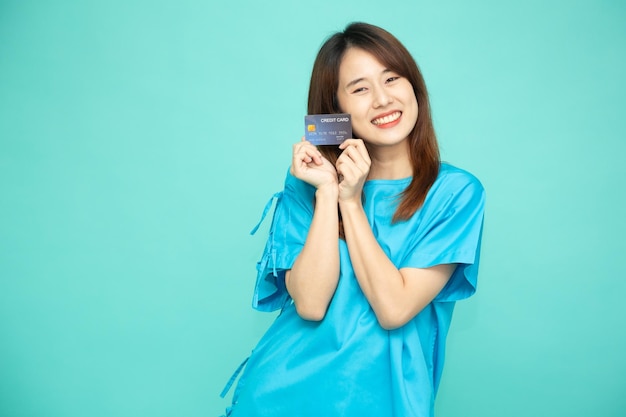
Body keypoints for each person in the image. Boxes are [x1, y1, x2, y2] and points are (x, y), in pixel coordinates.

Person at [221, 22, 485, 417]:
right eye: (360, 89)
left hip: (388, 402)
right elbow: (310, 304)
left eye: (392, 78)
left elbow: (394, 308)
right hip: (282, 396)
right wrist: (329, 192)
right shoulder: (309, 185)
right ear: (336, 111)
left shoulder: (455, 192)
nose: (382, 99)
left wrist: (353, 202)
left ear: (414, 87)